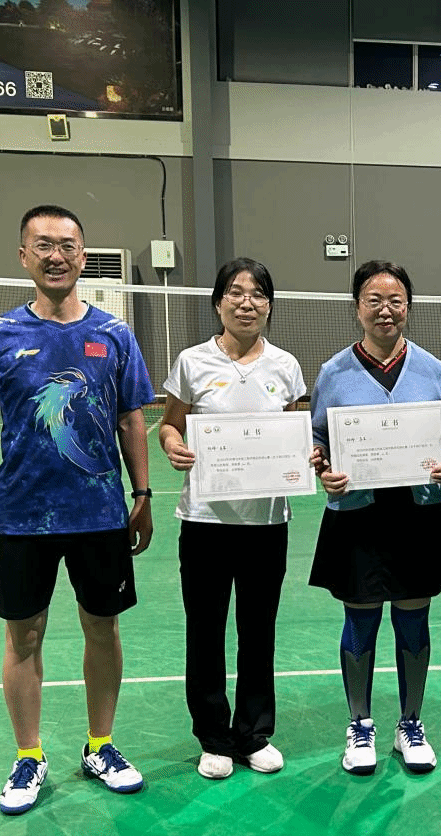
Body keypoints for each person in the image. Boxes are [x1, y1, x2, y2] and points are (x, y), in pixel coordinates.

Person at [0, 204, 153, 815]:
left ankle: (101, 745)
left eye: (67, 245)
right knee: (25, 634)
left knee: (103, 628)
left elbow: (131, 419)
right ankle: (28, 755)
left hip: (100, 514)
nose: (56, 255)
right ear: (24, 256)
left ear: (83, 256)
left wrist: (142, 495)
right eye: (43, 244)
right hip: (23, 516)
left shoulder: (115, 335)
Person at [309, 260, 441, 776]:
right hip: (358, 514)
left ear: (408, 308)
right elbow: (318, 440)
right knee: (361, 617)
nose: (385, 310)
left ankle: (410, 723)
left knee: (414, 616)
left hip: (418, 513)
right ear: (357, 308)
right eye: (374, 300)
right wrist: (323, 469)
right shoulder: (333, 373)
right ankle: (360, 724)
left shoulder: (433, 370)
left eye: (395, 300)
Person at [158, 258, 305, 780]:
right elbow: (169, 425)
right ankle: (214, 737)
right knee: (205, 630)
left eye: (258, 293)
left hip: (266, 523)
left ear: (269, 305)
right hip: (205, 522)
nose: (247, 303)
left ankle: (253, 734)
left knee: (258, 631)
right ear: (218, 302)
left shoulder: (285, 366)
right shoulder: (192, 362)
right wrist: (173, 445)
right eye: (236, 293)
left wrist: (302, 458)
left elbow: (293, 435)